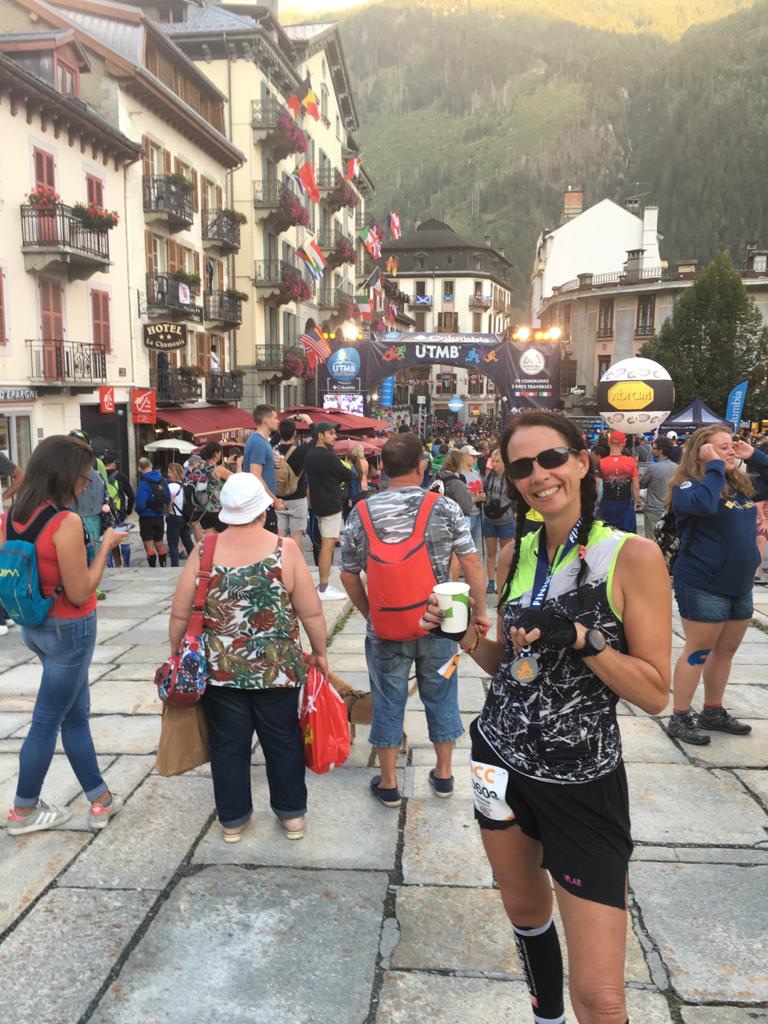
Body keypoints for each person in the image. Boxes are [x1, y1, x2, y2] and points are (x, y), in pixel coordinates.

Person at [423, 410, 670, 1024]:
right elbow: (511, 668)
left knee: (604, 999)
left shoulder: (632, 556)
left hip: (581, 781)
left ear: (582, 462)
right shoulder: (516, 553)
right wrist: (463, 635)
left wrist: (584, 640)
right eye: (522, 467)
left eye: (552, 458)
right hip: (498, 762)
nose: (539, 475)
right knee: (526, 913)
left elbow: (655, 693)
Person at [168, 473, 328, 843]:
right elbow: (311, 612)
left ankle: (233, 820)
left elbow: (179, 613)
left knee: (227, 744)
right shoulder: (285, 549)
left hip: (221, 671)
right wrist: (320, 651)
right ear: (262, 510)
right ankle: (292, 816)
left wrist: (176, 652)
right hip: (278, 671)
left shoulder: (204, 550)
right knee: (283, 740)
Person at [340, 432, 489, 807]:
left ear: (382, 468)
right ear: (422, 467)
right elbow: (471, 563)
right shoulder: (444, 507)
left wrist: (372, 614)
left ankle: (389, 783)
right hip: (440, 622)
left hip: (386, 629)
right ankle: (444, 775)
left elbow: (348, 574)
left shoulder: (361, 511)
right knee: (442, 696)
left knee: (387, 702)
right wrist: (480, 613)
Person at [5, 435, 126, 835]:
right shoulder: (64, 522)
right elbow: (80, 590)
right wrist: (105, 547)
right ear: (64, 475)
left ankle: (100, 798)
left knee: (74, 715)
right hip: (69, 629)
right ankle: (23, 811)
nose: (85, 483)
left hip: (35, 626)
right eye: (83, 476)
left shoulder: (14, 515)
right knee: (47, 721)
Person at [665, 425, 768, 745]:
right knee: (699, 650)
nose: (731, 451)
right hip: (703, 583)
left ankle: (713, 711)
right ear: (702, 452)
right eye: (722, 447)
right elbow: (705, 505)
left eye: (732, 445)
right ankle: (680, 716)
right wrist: (713, 467)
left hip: (739, 584)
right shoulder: (687, 486)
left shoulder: (740, 485)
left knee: (726, 651)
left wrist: (755, 456)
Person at [303, 422, 352, 601]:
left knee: (325, 544)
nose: (335, 436)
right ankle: (323, 587)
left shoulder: (310, 455)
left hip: (317, 505)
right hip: (331, 505)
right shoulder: (329, 457)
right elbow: (349, 475)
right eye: (331, 433)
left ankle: (323, 585)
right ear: (320, 435)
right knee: (328, 545)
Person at [243, 405, 283, 534]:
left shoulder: (261, 440)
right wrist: (274, 500)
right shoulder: (259, 442)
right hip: (261, 503)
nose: (278, 421)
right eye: (275, 418)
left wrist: (271, 463)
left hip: (261, 501)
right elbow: (256, 475)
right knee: (269, 543)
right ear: (266, 420)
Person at [482, 447, 516, 594]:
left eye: (498, 461)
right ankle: (490, 581)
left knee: (505, 554)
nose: (494, 464)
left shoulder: (511, 478)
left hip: (506, 520)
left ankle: (504, 582)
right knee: (490, 553)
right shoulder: (489, 476)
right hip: (489, 519)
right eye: (493, 461)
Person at [275, 416, 311, 550]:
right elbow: (317, 437)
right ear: (295, 433)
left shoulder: (272, 449)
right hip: (297, 498)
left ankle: (280, 562)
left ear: (279, 432)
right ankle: (296, 563)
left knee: (280, 538)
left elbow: (273, 439)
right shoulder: (301, 450)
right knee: (297, 538)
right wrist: (308, 421)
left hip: (278, 499)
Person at [597, 431, 639, 532]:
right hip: (625, 505)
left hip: (607, 505)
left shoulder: (601, 463)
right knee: (627, 536)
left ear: (609, 443)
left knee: (606, 535)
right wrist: (635, 503)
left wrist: (596, 504)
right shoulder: (631, 462)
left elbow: (597, 487)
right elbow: (636, 487)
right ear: (623, 443)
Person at [639, 435, 677, 539]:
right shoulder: (676, 467)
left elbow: (641, 484)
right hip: (669, 510)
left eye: (654, 448)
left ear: (660, 451)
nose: (652, 449)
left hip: (653, 510)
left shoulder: (652, 468)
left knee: (651, 541)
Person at [135, 457, 170, 567]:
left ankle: (152, 568)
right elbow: (168, 498)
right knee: (160, 543)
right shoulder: (163, 480)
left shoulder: (143, 483)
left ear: (139, 469)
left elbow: (140, 504)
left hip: (146, 517)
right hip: (159, 516)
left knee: (149, 545)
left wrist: (139, 511)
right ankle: (163, 566)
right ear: (151, 465)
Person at [102, 453, 135, 568]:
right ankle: (125, 565)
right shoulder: (121, 476)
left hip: (105, 515)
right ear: (113, 463)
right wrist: (128, 511)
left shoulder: (99, 476)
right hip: (120, 514)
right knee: (124, 540)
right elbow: (131, 496)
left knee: (109, 541)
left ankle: (112, 566)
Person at [197, 442, 231, 534]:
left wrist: (226, 463)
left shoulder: (201, 467)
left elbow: (213, 473)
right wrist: (239, 464)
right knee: (226, 539)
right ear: (216, 453)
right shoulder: (219, 469)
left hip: (203, 511)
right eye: (220, 452)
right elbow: (238, 479)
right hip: (216, 510)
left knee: (211, 540)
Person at [165, 462, 195, 567]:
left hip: (174, 519)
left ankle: (174, 567)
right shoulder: (185, 485)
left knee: (173, 545)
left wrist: (167, 513)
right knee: (188, 542)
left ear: (174, 473)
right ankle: (195, 564)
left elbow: (168, 504)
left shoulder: (171, 486)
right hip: (184, 518)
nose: (168, 474)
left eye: (169, 472)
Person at [459, 444, 486, 553]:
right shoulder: (458, 475)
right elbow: (458, 499)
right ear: (464, 457)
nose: (476, 459)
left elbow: (480, 490)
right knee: (463, 549)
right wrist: (475, 499)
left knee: (474, 548)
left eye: (476, 456)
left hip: (478, 514)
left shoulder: (476, 473)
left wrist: (483, 496)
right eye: (473, 456)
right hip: (465, 516)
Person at [347, 443, 369, 511]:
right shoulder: (365, 462)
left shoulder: (354, 463)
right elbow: (366, 474)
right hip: (365, 486)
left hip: (357, 488)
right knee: (363, 509)